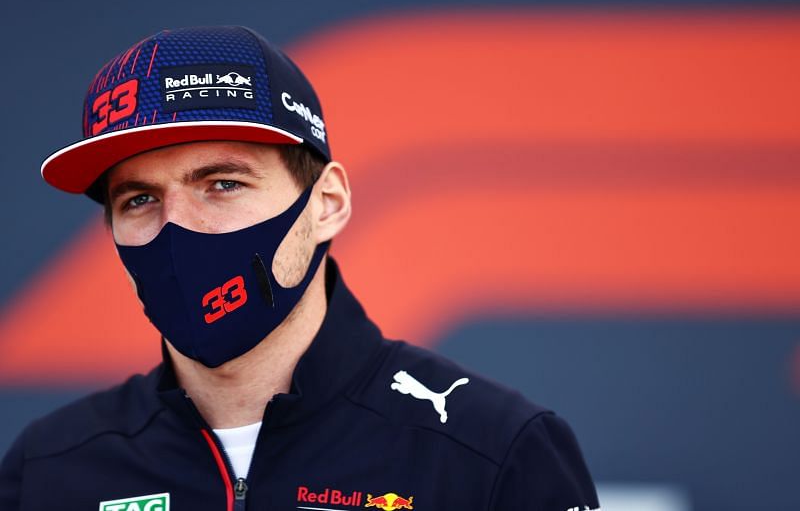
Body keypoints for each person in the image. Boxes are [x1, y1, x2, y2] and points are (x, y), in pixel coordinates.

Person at [0, 26, 600, 511]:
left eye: (222, 183)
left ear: (327, 204)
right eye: (138, 199)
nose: (177, 228)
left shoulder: (490, 449)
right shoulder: (50, 467)